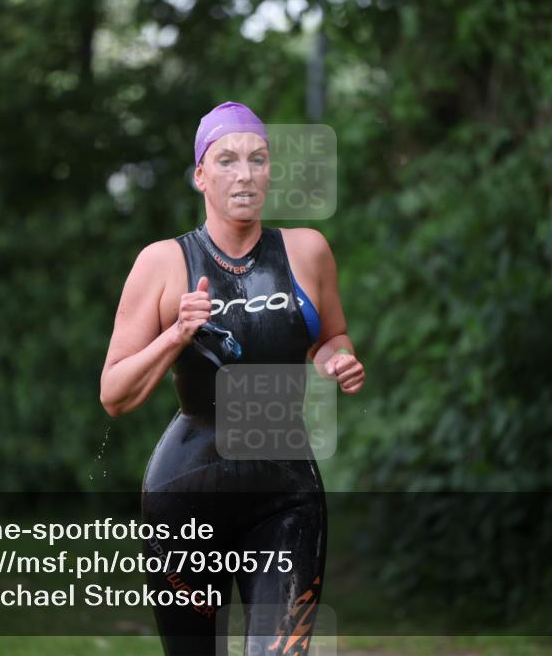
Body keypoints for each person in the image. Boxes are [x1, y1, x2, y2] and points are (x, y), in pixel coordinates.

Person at [100, 101, 365, 655]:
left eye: (257, 159)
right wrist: (176, 334)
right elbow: (115, 394)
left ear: (269, 172)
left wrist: (336, 358)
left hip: (286, 491)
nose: (244, 174)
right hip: (187, 491)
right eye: (227, 160)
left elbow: (331, 336)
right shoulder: (163, 262)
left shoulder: (307, 251)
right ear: (201, 175)